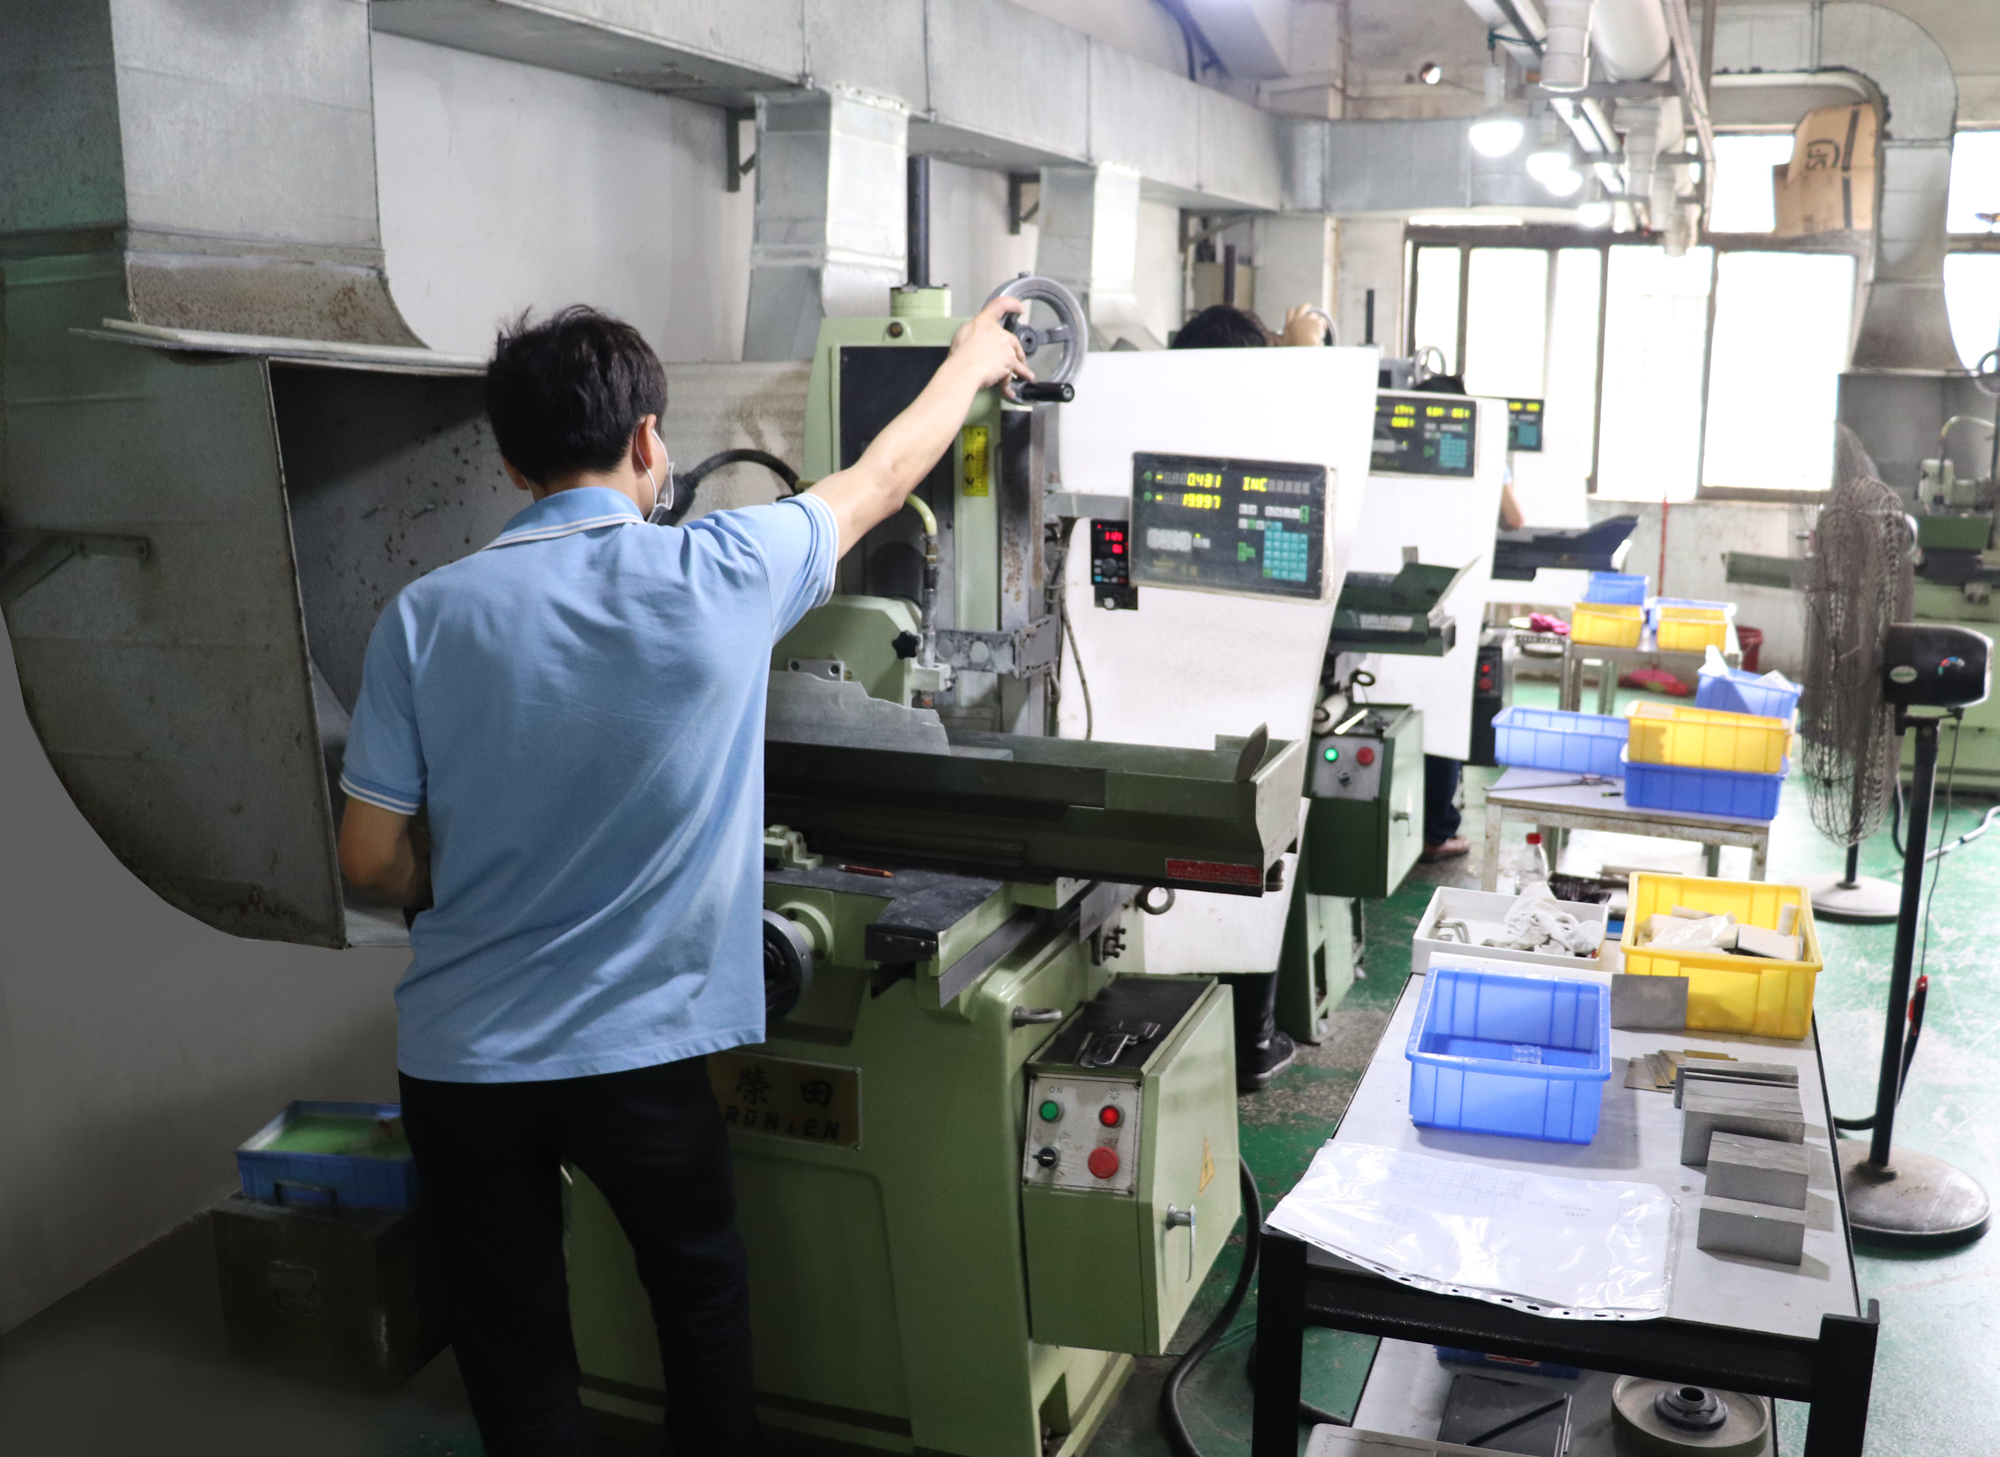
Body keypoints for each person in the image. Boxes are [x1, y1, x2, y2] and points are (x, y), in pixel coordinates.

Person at [337, 301, 1031, 1455]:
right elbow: (880, 477)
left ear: (510, 463)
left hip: (465, 1059)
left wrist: (456, 876)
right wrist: (970, 359)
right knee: (697, 1294)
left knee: (511, 1337)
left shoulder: (423, 616)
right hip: (644, 1052)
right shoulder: (726, 566)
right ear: (648, 440)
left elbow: (367, 857)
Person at [1166, 301, 1329, 1091]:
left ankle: (1178, 1015)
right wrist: (1305, 354)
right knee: (1258, 846)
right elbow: (1315, 438)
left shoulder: (1158, 437)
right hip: (1258, 677)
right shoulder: (1268, 448)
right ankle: (1249, 1042)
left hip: (1170, 679)